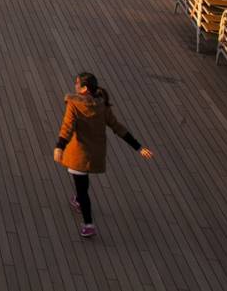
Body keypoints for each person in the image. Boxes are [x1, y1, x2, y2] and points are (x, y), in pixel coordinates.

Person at [53, 72, 153, 239]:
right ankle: (78, 200)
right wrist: (138, 147)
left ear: (84, 89)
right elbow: (117, 127)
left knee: (82, 189)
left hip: (79, 154)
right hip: (95, 154)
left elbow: (67, 127)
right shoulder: (102, 105)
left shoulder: (74, 104)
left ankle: (88, 223)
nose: (75, 85)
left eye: (77, 83)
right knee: (83, 185)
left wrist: (59, 147)